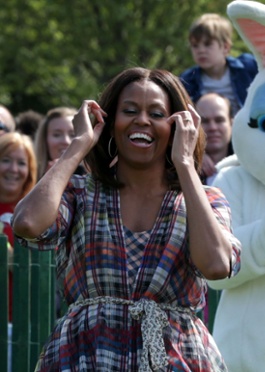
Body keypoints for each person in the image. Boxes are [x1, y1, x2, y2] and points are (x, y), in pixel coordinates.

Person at [11, 67, 241, 371]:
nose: (142, 120)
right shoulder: (79, 193)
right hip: (86, 355)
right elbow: (27, 223)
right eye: (129, 110)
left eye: (157, 113)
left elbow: (215, 266)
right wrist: (79, 145)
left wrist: (185, 163)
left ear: (178, 126)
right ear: (109, 122)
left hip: (177, 358)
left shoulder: (205, 200)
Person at [0, 132, 37, 371]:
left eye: (21, 163)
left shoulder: (36, 211)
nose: (14, 169)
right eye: (6, 160)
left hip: (22, 325)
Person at [179, 13, 258, 115]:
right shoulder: (187, 81)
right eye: (195, 45)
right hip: (209, 129)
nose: (201, 50)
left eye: (207, 44)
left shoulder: (248, 67)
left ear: (225, 47)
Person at [34, 107, 87, 180]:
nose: (66, 141)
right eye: (57, 135)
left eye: (73, 135)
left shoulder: (93, 182)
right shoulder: (30, 179)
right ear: (44, 140)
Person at [195, 93, 234, 185]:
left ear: (231, 123)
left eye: (219, 120)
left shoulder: (247, 168)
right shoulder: (181, 169)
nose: (212, 127)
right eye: (204, 121)